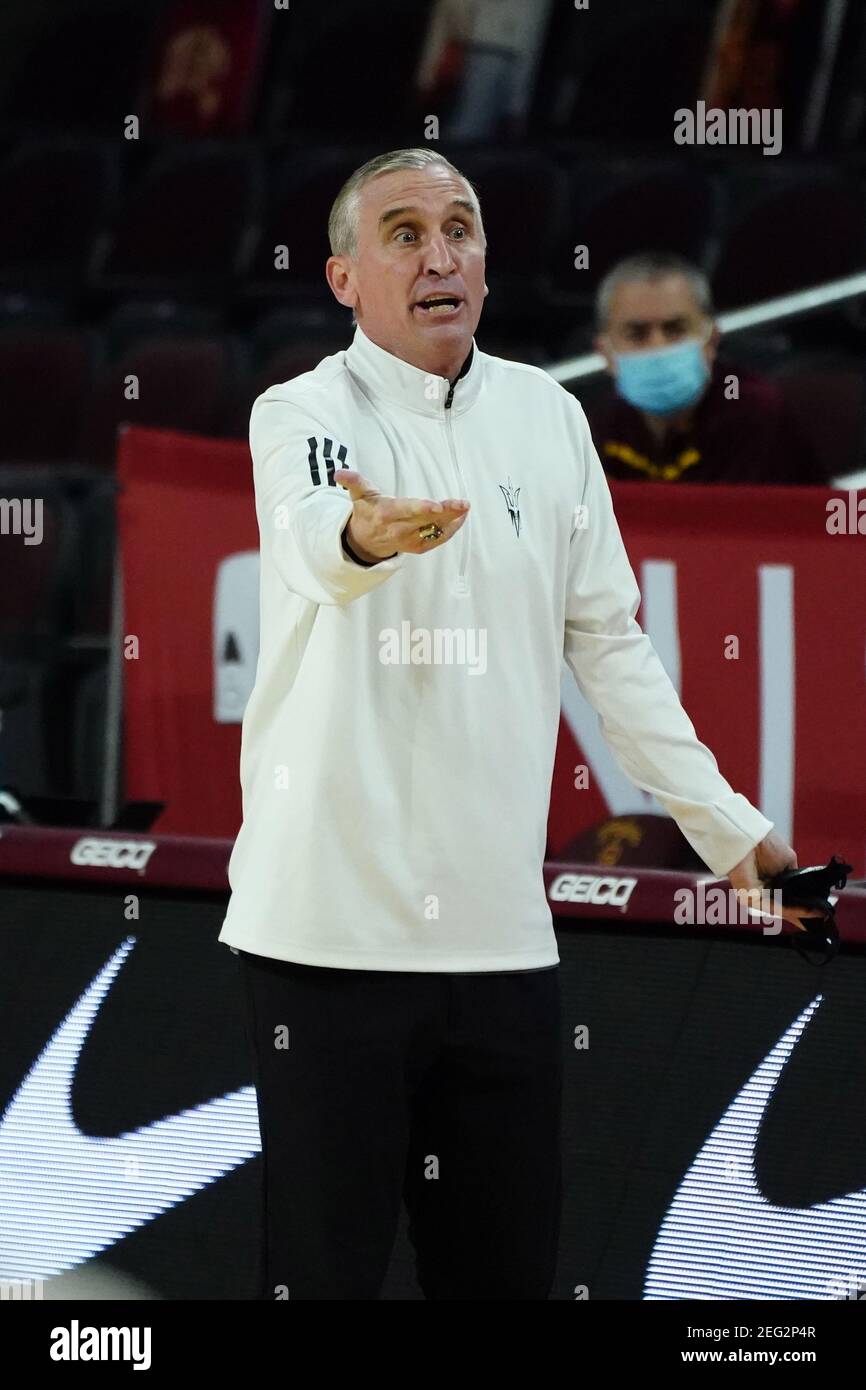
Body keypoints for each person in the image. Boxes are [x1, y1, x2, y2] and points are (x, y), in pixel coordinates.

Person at [218, 149, 818, 1301]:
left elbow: (610, 648)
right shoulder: (298, 413)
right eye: (403, 233)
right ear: (344, 277)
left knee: (501, 1281)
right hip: (326, 944)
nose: (439, 254)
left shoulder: (546, 418)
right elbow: (303, 538)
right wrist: (361, 540)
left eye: (461, 227)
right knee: (319, 1273)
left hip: (500, 947)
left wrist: (731, 832)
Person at [587, 251, 829, 485]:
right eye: (637, 334)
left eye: (675, 329)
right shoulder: (598, 427)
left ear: (711, 340)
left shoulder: (757, 414)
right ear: (604, 353)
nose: (657, 346)